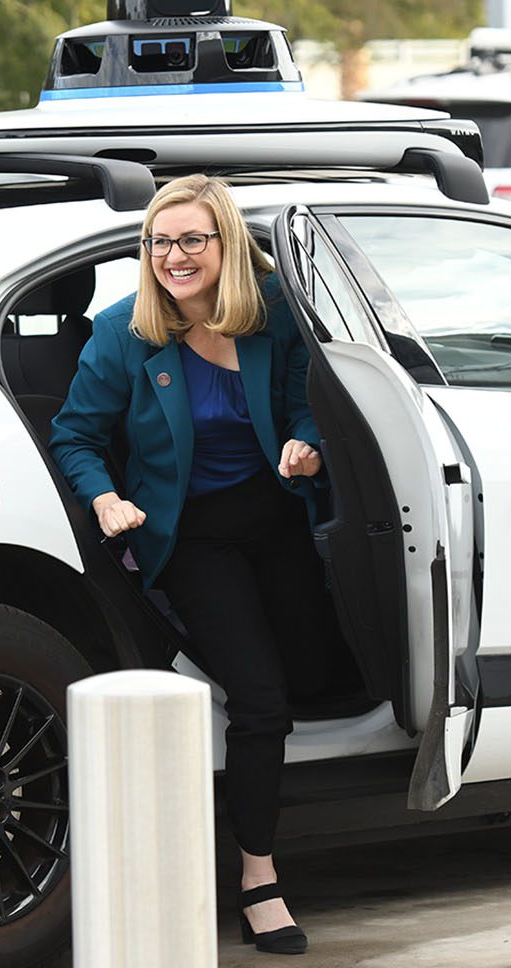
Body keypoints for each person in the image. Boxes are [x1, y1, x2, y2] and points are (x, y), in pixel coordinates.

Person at [50, 174, 329, 955]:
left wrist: (307, 445)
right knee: (263, 699)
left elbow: (311, 400)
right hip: (191, 535)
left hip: (277, 517)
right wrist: (105, 498)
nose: (173, 255)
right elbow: (74, 434)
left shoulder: (274, 315)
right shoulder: (124, 333)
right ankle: (259, 882)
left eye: (191, 240)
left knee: (319, 668)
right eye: (160, 241)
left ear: (227, 244)